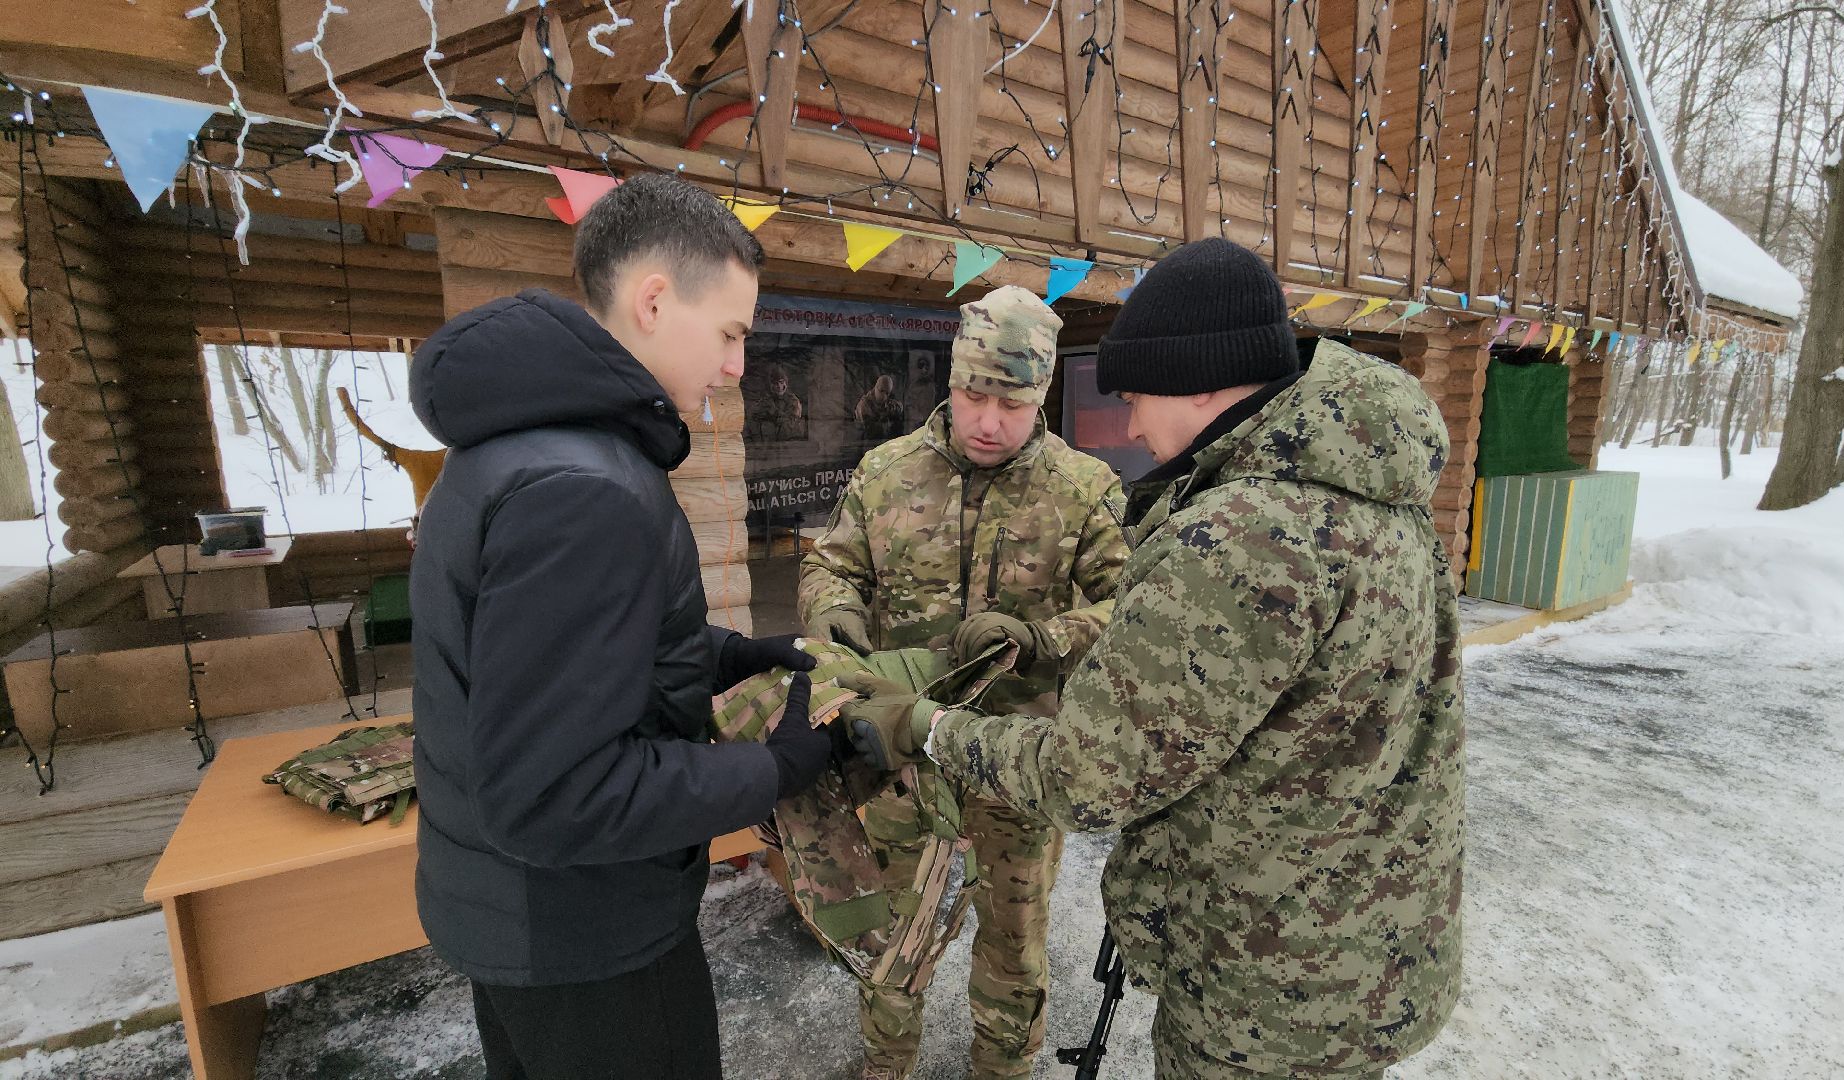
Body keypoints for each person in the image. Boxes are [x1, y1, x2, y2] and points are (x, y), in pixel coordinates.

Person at [838, 238, 1466, 1079]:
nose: (1131, 425)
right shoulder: (1377, 492)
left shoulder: (1241, 534)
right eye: (972, 393)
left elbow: (1087, 776)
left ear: (1198, 378)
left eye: (1135, 396)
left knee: (1011, 941)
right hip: (1368, 959)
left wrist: (929, 723)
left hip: (1264, 979)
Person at [407, 175, 834, 1080]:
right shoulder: (583, 490)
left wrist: (729, 655)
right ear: (652, 300)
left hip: (522, 916)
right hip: (586, 939)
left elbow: (562, 659)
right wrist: (774, 768)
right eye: (730, 333)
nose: (736, 368)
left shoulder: (525, 447)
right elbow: (555, 792)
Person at [800, 284, 1131, 1080]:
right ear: (950, 383)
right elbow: (828, 563)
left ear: (1041, 395)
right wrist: (834, 612)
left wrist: (1043, 639)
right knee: (889, 938)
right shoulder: (884, 473)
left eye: (1010, 403)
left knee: (1013, 944)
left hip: (1018, 765)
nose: (988, 420)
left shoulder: (1085, 491)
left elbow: (1130, 614)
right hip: (901, 762)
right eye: (974, 394)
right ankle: (886, 1069)